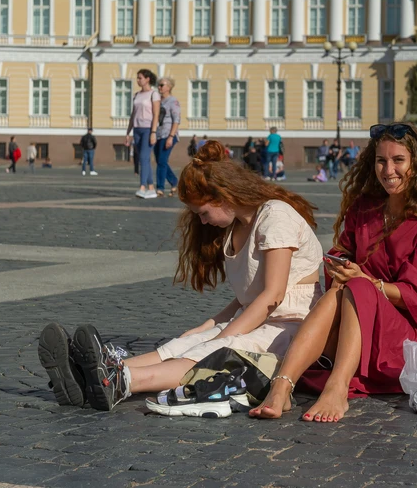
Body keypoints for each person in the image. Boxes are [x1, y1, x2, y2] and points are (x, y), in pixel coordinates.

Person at [37, 141, 324, 411]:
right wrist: (205, 327)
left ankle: (121, 382)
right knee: (183, 344)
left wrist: (219, 337)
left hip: (291, 327)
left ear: (224, 196)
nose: (202, 220)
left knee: (217, 351)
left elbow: (272, 296)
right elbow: (245, 300)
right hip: (259, 319)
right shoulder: (236, 227)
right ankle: (101, 372)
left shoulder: (276, 217)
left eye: (203, 212)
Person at [250, 122, 417, 422]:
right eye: (381, 161)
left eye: (398, 160)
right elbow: (341, 252)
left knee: (359, 287)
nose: (388, 170)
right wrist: (341, 265)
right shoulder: (365, 209)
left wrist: (368, 281)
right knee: (343, 287)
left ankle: (337, 387)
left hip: (407, 341)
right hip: (356, 324)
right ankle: (281, 387)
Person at [126, 69, 160, 199]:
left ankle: (142, 187)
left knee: (143, 158)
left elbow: (156, 114)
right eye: (137, 77)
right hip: (137, 129)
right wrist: (128, 132)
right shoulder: (136, 95)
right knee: (144, 159)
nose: (138, 80)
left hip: (148, 129)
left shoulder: (154, 94)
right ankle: (151, 188)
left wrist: (153, 132)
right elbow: (133, 114)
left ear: (147, 79)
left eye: (140, 78)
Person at [155, 77, 181, 197]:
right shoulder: (158, 101)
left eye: (162, 85)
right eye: (158, 85)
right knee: (160, 161)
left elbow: (176, 120)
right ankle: (174, 181)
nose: (159, 87)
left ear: (169, 87)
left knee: (162, 161)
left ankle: (160, 188)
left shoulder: (173, 101)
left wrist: (171, 136)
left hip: (169, 134)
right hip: (158, 135)